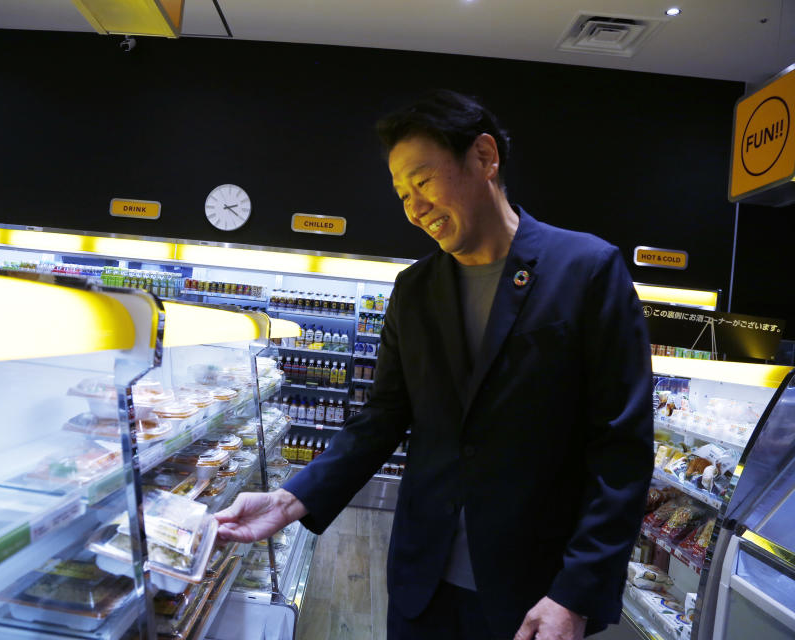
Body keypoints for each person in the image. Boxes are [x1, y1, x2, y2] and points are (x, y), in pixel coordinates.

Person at [215, 90, 654, 640]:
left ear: (485, 158)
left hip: (534, 593)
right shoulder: (415, 289)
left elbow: (622, 447)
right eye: (402, 193)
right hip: (424, 582)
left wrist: (575, 592)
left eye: (422, 181)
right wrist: (290, 499)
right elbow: (382, 418)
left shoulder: (587, 270)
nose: (413, 208)